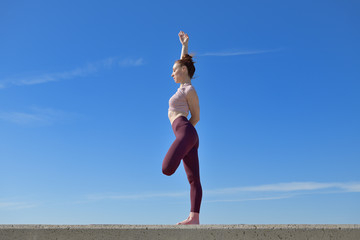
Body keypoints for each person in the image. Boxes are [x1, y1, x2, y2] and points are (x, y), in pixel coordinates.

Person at [162, 31, 202, 225]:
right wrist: (185, 45)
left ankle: (194, 216)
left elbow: (197, 116)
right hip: (188, 135)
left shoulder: (189, 90)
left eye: (174, 70)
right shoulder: (181, 88)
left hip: (186, 131)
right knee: (193, 179)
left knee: (167, 168)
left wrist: (186, 136)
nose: (172, 73)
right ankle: (194, 218)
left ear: (183, 71)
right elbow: (182, 63)